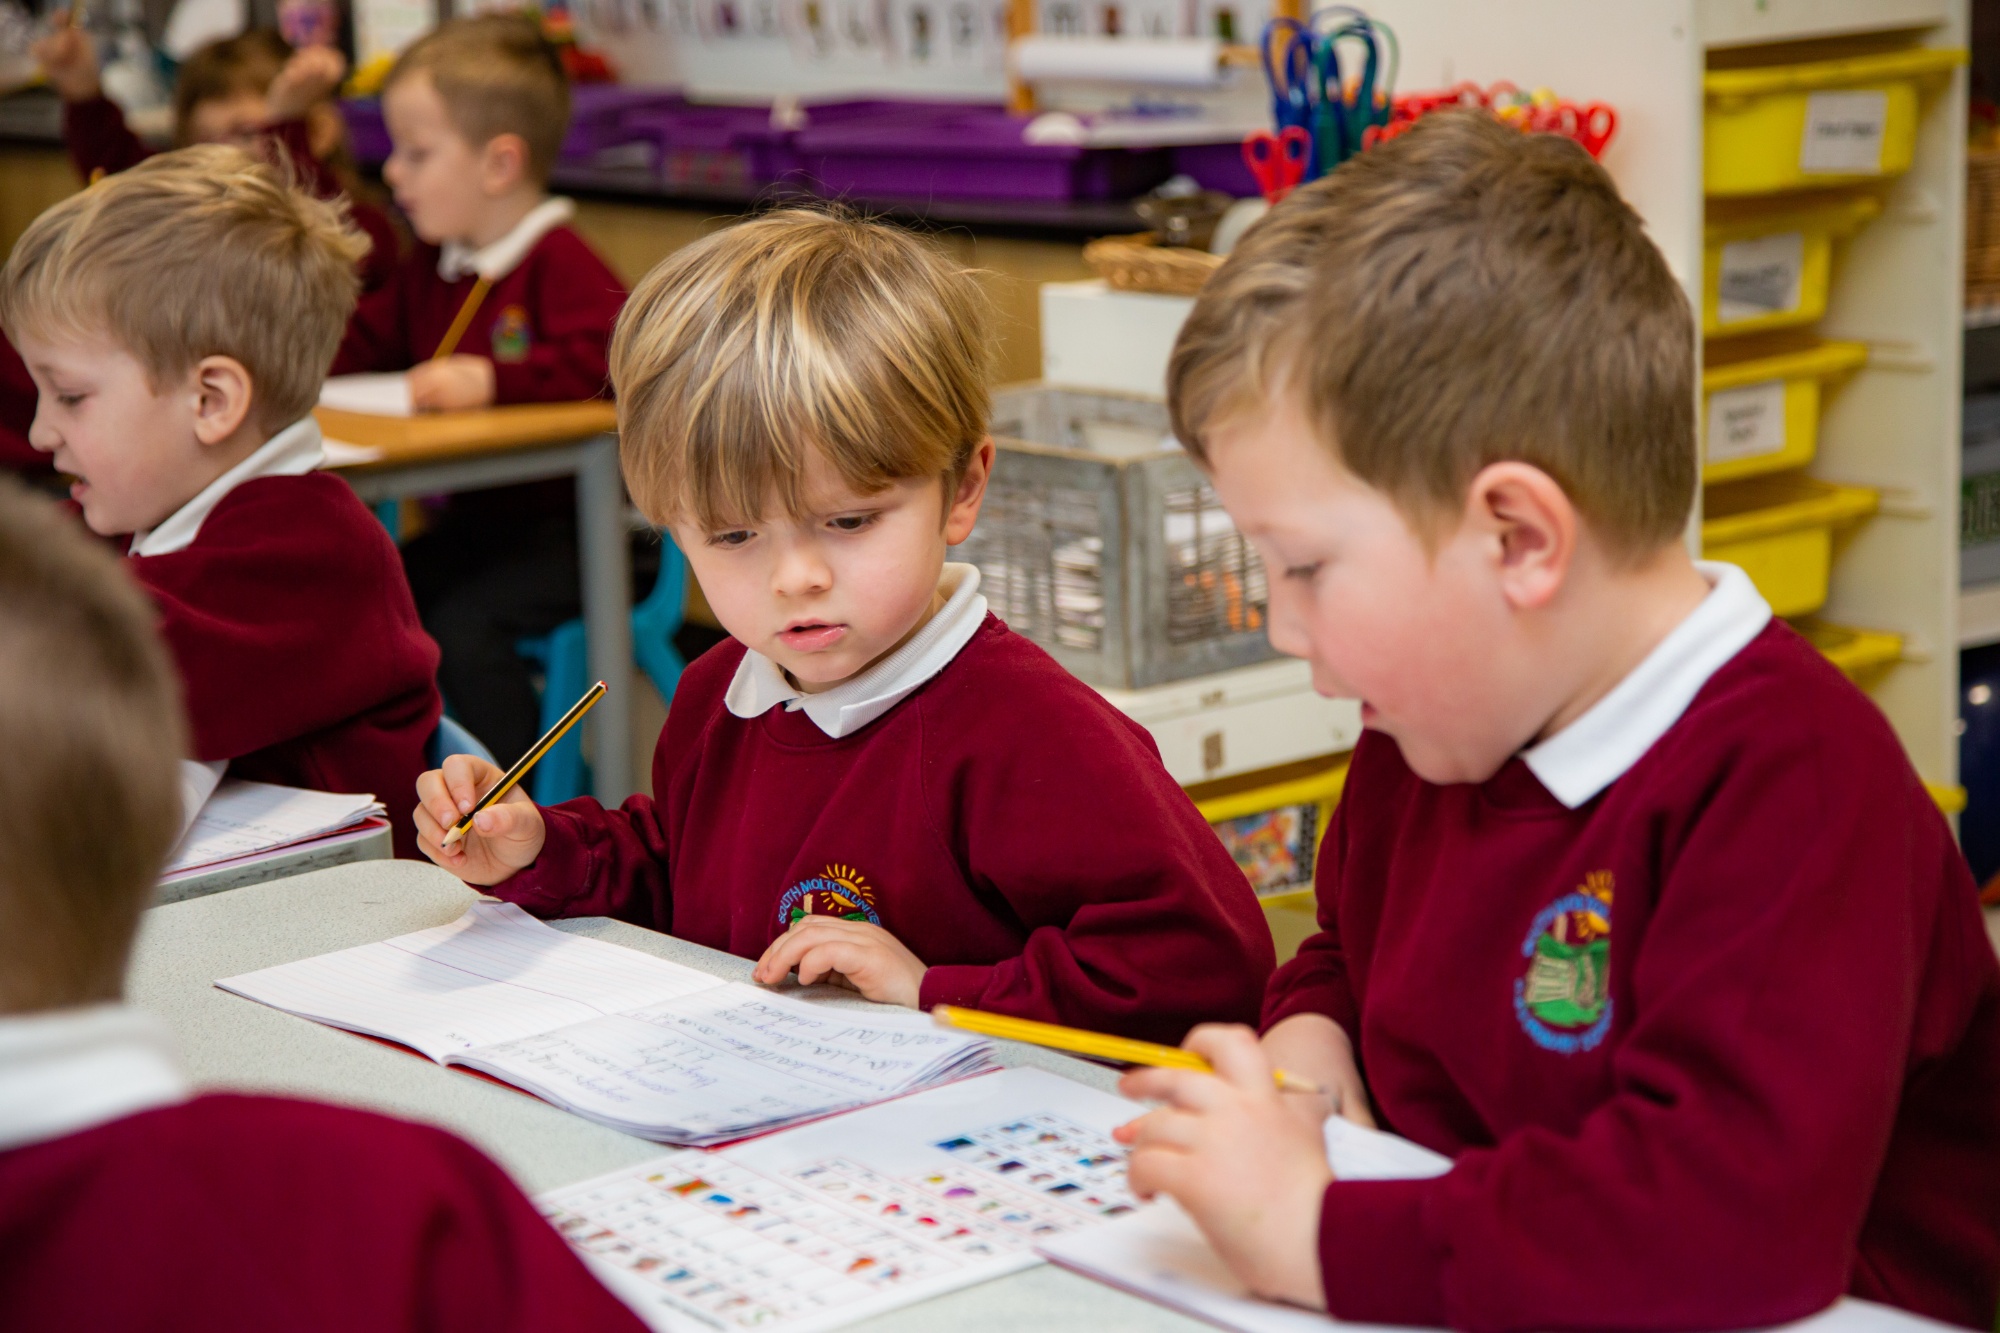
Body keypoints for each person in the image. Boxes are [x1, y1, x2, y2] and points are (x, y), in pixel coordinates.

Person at [1113, 111, 2000, 1331]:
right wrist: (1311, 1044)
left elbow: (1726, 1226)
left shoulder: (1792, 783)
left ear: (1516, 539)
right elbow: (1349, 946)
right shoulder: (1432, 725)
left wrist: (1314, 1235)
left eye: (1303, 566)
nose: (1279, 624)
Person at [412, 208, 1275, 1043]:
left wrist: (935, 990)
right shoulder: (722, 688)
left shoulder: (1030, 732)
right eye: (736, 535)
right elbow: (680, 867)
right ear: (673, 527)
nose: (796, 577)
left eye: (850, 521)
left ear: (963, 487)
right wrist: (540, 849)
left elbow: (1204, 967)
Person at [0, 478, 646, 1331]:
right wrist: (551, 852)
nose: (42, 435)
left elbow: (659, 857)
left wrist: (554, 852)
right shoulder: (392, 1203)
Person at [0, 146, 442, 856]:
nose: (40, 430)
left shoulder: (312, 551)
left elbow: (98, 660)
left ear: (210, 400)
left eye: (71, 396)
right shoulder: (132, 516)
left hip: (337, 938)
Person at [331, 13, 630, 763]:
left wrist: (496, 380)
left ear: (499, 165)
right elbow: (359, 347)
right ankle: (405, 774)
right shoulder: (433, 264)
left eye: (418, 153)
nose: (393, 173)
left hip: (578, 534)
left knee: (466, 627)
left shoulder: (558, 261)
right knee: (372, 598)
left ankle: (510, 804)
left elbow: (616, 362)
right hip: (480, 530)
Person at [34, 20, 401, 291]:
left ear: (317, 133)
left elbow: (336, 239)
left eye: (246, 133)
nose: (221, 156)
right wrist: (84, 94)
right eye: (204, 142)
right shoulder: (193, 220)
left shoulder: (365, 226)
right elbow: (127, 177)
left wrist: (285, 128)